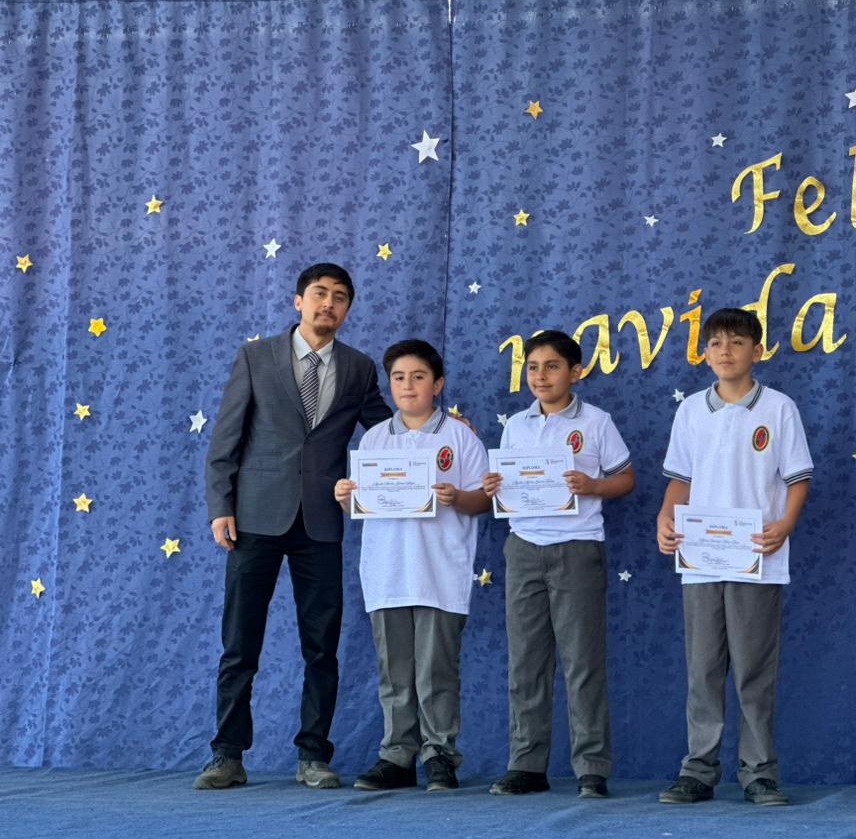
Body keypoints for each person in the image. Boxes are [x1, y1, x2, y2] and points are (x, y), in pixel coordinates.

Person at [195, 263, 392, 790]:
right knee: (240, 643)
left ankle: (313, 755)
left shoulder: (358, 367)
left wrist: (440, 426)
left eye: (340, 297)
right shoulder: (255, 357)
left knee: (321, 647)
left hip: (321, 522)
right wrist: (220, 506)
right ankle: (227, 754)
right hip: (254, 517)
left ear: (347, 309)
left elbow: (389, 429)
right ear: (298, 301)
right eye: (319, 294)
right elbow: (225, 440)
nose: (329, 303)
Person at [655, 307, 812, 807]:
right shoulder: (690, 411)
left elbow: (798, 479)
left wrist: (785, 525)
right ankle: (698, 770)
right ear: (704, 353)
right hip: (700, 558)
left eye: (737, 342)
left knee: (752, 670)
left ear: (757, 351)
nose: (726, 351)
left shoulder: (779, 408)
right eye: (717, 343)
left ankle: (759, 772)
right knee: (702, 668)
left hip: (756, 555)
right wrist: (665, 519)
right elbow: (680, 480)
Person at [482, 330, 635, 799]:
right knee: (526, 661)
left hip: (577, 547)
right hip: (524, 546)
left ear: (576, 372)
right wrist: (494, 486)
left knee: (582, 661)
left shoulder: (596, 421)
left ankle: (591, 767)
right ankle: (526, 764)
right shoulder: (516, 425)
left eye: (552, 367)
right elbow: (508, 481)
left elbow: (625, 479)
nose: (541, 376)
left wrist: (593, 486)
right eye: (532, 367)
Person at [334, 339, 489, 793]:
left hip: (440, 571)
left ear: (437, 385)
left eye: (418, 377)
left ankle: (439, 754)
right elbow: (364, 504)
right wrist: (345, 499)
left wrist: (456, 498)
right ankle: (397, 755)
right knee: (395, 672)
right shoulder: (375, 438)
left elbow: (484, 499)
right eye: (398, 378)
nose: (407, 385)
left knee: (436, 671)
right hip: (387, 572)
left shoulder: (459, 436)